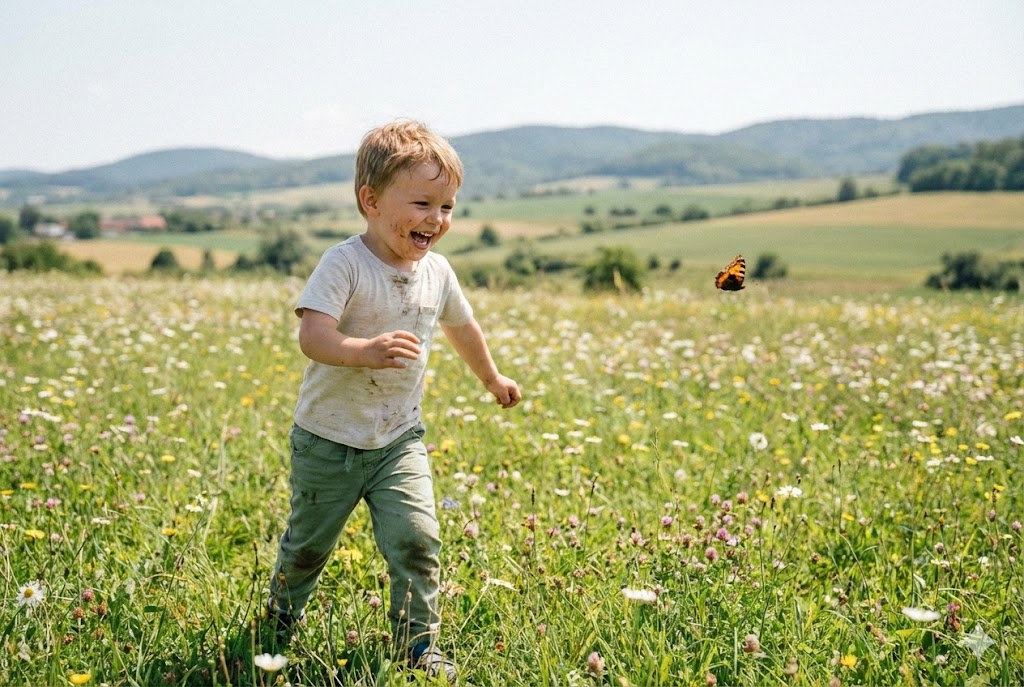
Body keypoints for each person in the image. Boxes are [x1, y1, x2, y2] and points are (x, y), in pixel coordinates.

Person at [267, 120, 521, 681]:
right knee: (308, 547)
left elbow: (463, 326)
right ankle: (277, 626)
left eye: (448, 206)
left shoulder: (437, 271)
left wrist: (492, 378)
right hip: (329, 440)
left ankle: (418, 646)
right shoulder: (346, 264)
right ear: (371, 200)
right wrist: (364, 351)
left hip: (398, 440)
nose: (437, 219)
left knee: (417, 538)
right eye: (423, 203)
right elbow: (313, 335)